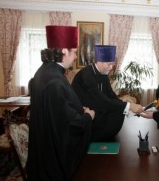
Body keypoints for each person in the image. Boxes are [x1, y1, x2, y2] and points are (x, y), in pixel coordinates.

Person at [27, 25, 95, 181]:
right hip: (52, 161)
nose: (76, 57)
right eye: (75, 52)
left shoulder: (45, 71)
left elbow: (58, 109)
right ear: (64, 50)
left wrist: (77, 108)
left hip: (43, 151)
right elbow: (68, 125)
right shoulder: (55, 80)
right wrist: (88, 117)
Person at [71, 45, 144, 142]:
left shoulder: (103, 73)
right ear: (99, 61)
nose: (111, 68)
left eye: (112, 64)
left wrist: (128, 108)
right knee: (118, 110)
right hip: (85, 114)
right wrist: (128, 106)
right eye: (109, 64)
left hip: (97, 108)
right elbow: (101, 100)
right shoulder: (87, 75)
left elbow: (111, 95)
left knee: (119, 110)